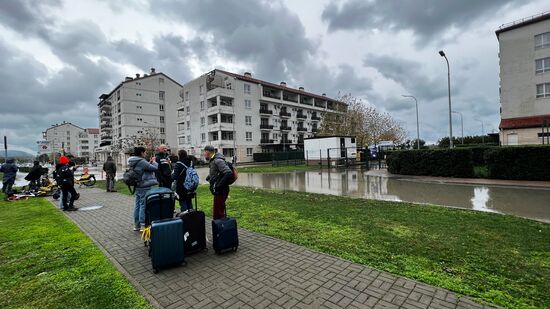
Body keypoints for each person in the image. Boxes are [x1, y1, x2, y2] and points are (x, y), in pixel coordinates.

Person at [128, 146, 158, 231]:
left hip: (137, 185)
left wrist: (149, 162)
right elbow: (155, 168)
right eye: (145, 152)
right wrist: (154, 162)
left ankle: (136, 225)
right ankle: (142, 224)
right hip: (144, 186)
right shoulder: (141, 161)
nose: (145, 153)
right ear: (141, 153)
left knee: (137, 205)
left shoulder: (132, 160)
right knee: (143, 205)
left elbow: (143, 169)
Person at [204, 146, 232, 219]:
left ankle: (222, 228)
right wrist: (209, 177)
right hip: (218, 190)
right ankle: (219, 227)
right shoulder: (213, 160)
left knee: (219, 213)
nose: (204, 154)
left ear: (208, 152)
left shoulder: (218, 160)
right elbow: (216, 172)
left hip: (221, 190)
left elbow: (228, 172)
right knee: (217, 212)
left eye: (204, 152)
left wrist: (218, 186)